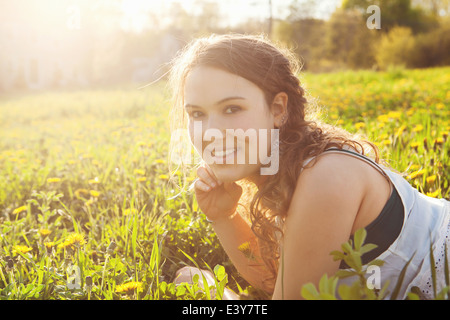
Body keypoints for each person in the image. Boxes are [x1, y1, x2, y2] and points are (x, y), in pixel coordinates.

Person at [168, 33, 450, 300]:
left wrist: (214, 293)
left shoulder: (324, 176)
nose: (211, 131)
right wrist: (224, 216)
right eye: (197, 114)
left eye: (232, 109)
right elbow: (278, 280)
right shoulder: (280, 172)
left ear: (278, 109)